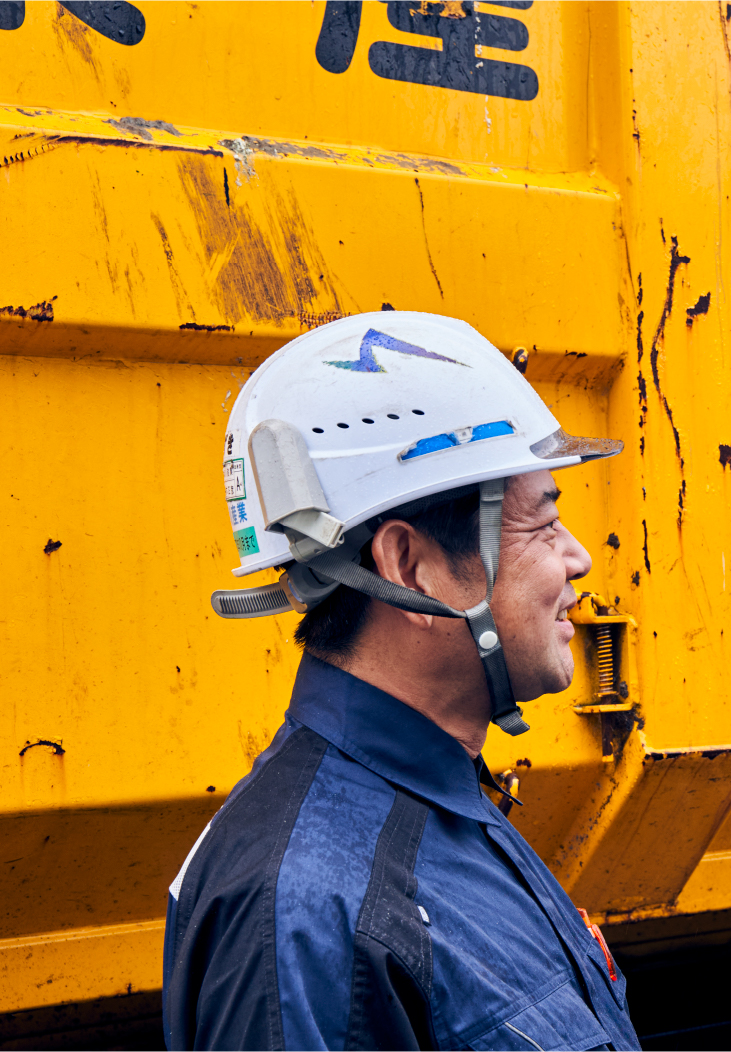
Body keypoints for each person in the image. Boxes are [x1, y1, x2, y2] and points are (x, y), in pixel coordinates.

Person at [163, 312, 642, 1050]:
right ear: (408, 565)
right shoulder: (306, 907)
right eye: (542, 523)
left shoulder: (436, 815)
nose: (576, 558)